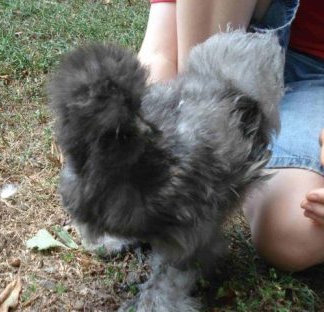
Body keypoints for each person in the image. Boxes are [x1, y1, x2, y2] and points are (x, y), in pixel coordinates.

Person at [138, 0, 324, 272]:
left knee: (292, 233)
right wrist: (140, 129)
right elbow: (159, 53)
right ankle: (197, 144)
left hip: (315, 81)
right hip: (235, 62)